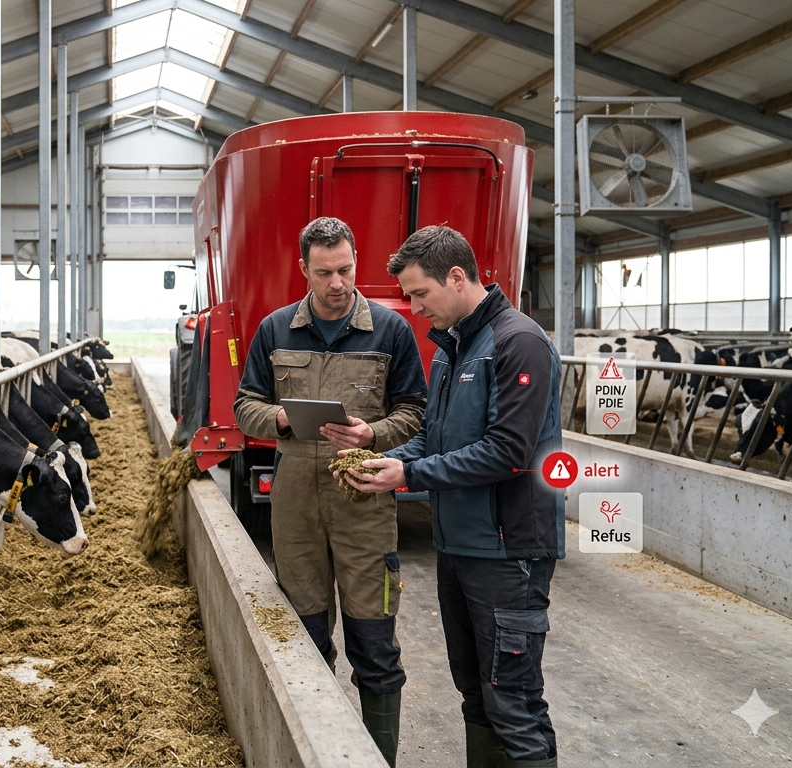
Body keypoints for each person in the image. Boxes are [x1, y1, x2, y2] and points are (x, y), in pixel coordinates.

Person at [339, 225, 563, 767]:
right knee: (476, 693)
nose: (414, 308)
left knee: (513, 700)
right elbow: (435, 436)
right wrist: (389, 455)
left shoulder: (517, 343)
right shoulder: (451, 348)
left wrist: (408, 478)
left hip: (509, 552)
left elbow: (508, 451)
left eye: (420, 294)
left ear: (457, 277)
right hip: (460, 545)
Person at [234, 216, 426, 767]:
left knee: (376, 648)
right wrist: (282, 420)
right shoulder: (275, 331)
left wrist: (374, 433)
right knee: (304, 639)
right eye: (324, 273)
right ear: (304, 270)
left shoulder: (390, 330)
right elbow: (244, 404)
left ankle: (377, 758)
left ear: (356, 261)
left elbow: (416, 411)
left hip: (364, 501)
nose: (336, 283)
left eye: (344, 269)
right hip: (295, 506)